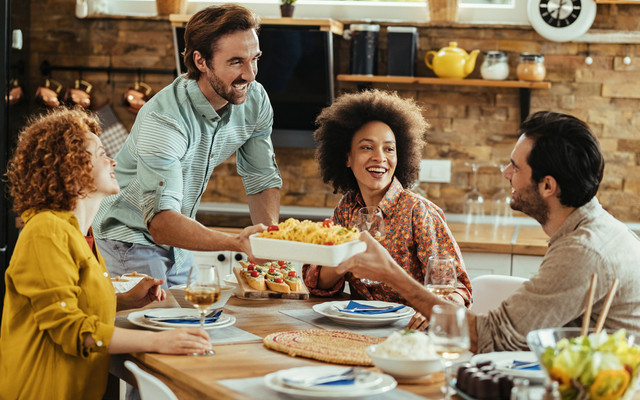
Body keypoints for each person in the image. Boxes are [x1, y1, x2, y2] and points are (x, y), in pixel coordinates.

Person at [336, 111, 640, 353]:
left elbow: (487, 338)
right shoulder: (599, 231)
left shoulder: (583, 252)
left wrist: (390, 273)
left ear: (547, 186)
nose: (505, 173)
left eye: (515, 167)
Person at [0, 108, 213, 399]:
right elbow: (72, 329)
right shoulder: (45, 231)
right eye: (100, 153)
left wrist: (125, 300)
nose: (112, 161)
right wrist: (160, 342)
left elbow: (76, 305)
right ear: (71, 168)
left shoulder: (78, 233)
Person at [93, 4, 282, 287]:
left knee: (193, 322)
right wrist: (238, 242)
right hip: (128, 237)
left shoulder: (254, 99)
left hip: (178, 239)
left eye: (254, 59)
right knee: (155, 327)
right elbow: (160, 223)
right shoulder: (165, 119)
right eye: (235, 62)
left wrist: (268, 243)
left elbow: (261, 178)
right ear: (201, 61)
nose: (251, 74)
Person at [303, 90, 472, 307]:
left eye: (389, 149)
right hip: (360, 327)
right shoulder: (346, 209)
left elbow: (459, 289)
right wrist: (344, 257)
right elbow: (316, 283)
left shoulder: (418, 211)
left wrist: (433, 309)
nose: (380, 157)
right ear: (347, 157)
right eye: (367, 147)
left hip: (411, 332)